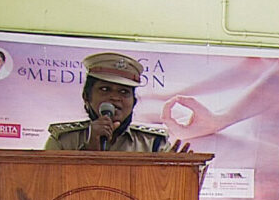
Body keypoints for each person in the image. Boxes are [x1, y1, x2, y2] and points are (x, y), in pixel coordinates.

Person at [44, 52, 189, 152]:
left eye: (124, 92)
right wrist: (89, 150)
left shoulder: (154, 144)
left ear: (134, 102)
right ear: (86, 97)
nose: (115, 97)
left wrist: (177, 173)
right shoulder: (63, 141)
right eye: (105, 89)